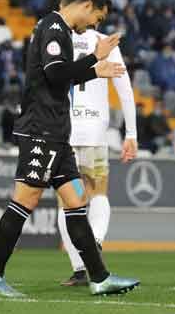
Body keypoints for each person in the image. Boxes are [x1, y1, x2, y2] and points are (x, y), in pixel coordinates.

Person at [0, 0, 139, 297]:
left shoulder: (57, 28)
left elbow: (61, 75)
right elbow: (56, 75)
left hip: (57, 133)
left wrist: (95, 66)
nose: (94, 25)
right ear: (87, 6)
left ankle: (99, 277)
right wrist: (95, 62)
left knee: (77, 202)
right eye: (97, 18)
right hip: (40, 130)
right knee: (26, 200)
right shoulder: (53, 28)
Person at [58, 27, 138, 287]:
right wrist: (131, 133)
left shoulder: (59, 38)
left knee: (66, 202)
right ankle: (96, 243)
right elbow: (124, 88)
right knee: (98, 193)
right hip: (94, 129)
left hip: (64, 130)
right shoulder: (105, 41)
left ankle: (79, 268)